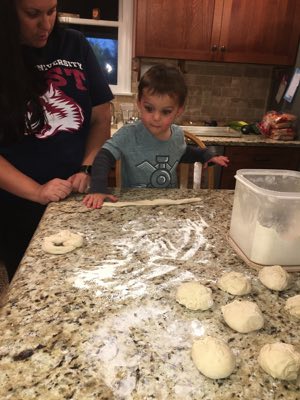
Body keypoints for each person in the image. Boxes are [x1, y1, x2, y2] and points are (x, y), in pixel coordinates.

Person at [0, 0, 114, 281]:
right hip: (19, 208)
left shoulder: (74, 44)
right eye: (33, 14)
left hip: (77, 199)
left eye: (52, 11)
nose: (46, 25)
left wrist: (87, 168)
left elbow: (101, 117)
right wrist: (37, 191)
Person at [83, 64, 229, 209]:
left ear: (178, 111)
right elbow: (104, 156)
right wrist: (98, 188)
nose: (156, 117)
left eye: (166, 112)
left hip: (167, 206)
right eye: (149, 108)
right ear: (139, 103)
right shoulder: (128, 134)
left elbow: (182, 152)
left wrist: (205, 155)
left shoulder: (177, 134)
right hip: (135, 206)